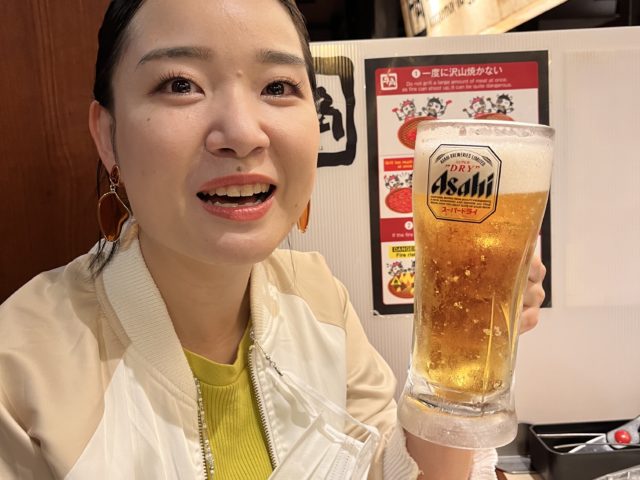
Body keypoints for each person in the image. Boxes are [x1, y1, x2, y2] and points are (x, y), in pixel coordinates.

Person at [0, 1, 547, 479]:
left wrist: (460, 371)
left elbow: (391, 470)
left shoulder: (318, 297)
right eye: (180, 84)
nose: (242, 133)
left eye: (278, 87)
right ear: (107, 135)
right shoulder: (19, 371)